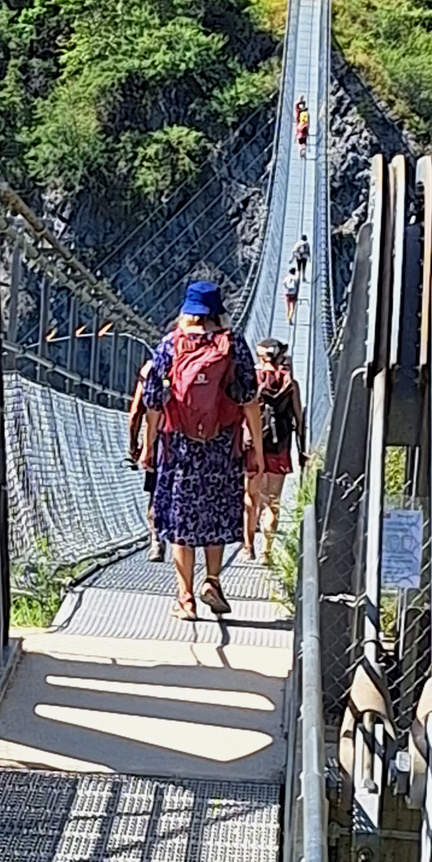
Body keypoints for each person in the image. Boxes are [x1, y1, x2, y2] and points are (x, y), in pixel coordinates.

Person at [142, 277, 261, 621]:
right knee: (215, 514)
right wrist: (257, 449)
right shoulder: (233, 344)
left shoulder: (170, 344)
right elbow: (248, 397)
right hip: (221, 445)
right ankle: (212, 580)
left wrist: (148, 447)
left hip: (179, 446)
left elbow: (153, 401)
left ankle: (185, 598)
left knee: (182, 521)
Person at [249, 341, 303, 559]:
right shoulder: (290, 384)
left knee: (253, 497)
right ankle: (266, 551)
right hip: (280, 447)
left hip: (255, 447)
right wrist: (302, 450)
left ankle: (248, 546)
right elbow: (300, 420)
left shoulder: (253, 380)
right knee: (273, 501)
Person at [125, 349, 163, 561]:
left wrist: (134, 447)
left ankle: (156, 541)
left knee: (155, 493)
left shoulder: (150, 371)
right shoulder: (189, 366)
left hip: (157, 442)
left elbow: (135, 414)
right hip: (186, 440)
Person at [283, 236, 310, 324]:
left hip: (287, 293)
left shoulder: (298, 243)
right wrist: (309, 257)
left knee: (288, 307)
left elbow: (293, 251)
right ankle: (303, 276)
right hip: (294, 293)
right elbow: (308, 251)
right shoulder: (306, 243)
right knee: (304, 267)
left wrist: (292, 259)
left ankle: (288, 317)